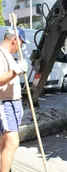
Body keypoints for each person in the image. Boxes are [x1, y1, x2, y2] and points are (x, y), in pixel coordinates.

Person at [0, 27, 29, 172]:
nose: (21, 47)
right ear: (14, 40)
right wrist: (16, 70)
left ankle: (5, 167)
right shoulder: (0, 54)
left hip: (14, 102)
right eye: (21, 43)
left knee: (6, 141)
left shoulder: (8, 54)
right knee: (12, 142)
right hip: (6, 103)